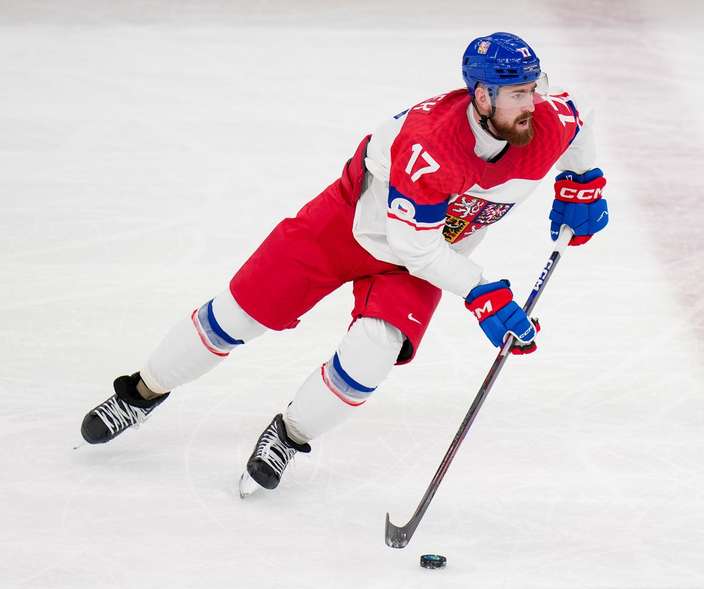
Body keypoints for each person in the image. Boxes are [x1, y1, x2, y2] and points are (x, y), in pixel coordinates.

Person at [80, 32, 609, 497]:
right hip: (346, 230)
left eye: (533, 89)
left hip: (423, 259)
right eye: (517, 94)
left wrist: (581, 182)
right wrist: (483, 292)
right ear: (482, 96)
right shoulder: (431, 146)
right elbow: (413, 244)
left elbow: (576, 119)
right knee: (237, 316)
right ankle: (141, 393)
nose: (531, 103)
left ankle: (287, 437)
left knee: (370, 358)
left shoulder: (544, 119)